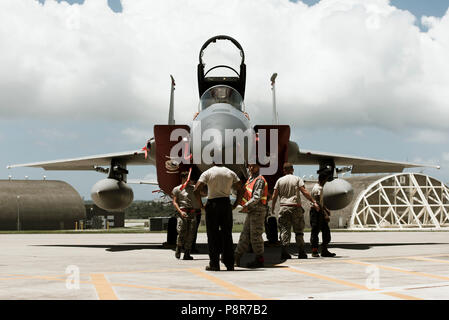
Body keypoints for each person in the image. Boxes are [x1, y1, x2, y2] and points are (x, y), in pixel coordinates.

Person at [194, 164, 242, 271]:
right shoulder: (230, 172)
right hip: (226, 203)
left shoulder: (208, 172)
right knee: (227, 235)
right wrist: (235, 204)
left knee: (212, 236)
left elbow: (196, 189)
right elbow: (240, 188)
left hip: (212, 204)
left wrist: (201, 205)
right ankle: (230, 264)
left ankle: (214, 264)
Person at [271, 162, 320, 259]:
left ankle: (284, 251)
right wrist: (313, 201)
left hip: (284, 207)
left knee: (284, 230)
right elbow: (304, 191)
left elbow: (274, 195)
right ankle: (301, 252)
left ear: (284, 170)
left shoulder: (279, 181)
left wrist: (272, 207)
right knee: (298, 231)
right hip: (296, 207)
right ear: (292, 169)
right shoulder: (297, 179)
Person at [234, 163, 268, 268]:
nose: (251, 168)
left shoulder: (259, 180)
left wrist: (246, 206)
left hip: (257, 210)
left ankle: (259, 259)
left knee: (255, 236)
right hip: (251, 210)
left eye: (253, 166)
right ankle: (236, 258)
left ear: (259, 167)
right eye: (249, 166)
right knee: (244, 236)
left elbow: (256, 197)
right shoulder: (251, 179)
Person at [172, 171, 201, 260]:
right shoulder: (177, 189)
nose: (188, 180)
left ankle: (187, 253)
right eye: (186, 178)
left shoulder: (193, 188)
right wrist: (180, 212)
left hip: (192, 212)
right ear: (183, 178)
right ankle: (179, 248)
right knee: (181, 231)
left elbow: (203, 193)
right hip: (182, 212)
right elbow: (175, 202)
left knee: (191, 232)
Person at [310, 168, 336, 258]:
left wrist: (326, 209)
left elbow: (320, 202)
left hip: (319, 210)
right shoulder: (318, 188)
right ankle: (315, 251)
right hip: (316, 212)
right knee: (315, 231)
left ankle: (324, 250)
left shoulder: (319, 187)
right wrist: (325, 214)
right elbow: (317, 203)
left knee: (325, 232)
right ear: (324, 179)